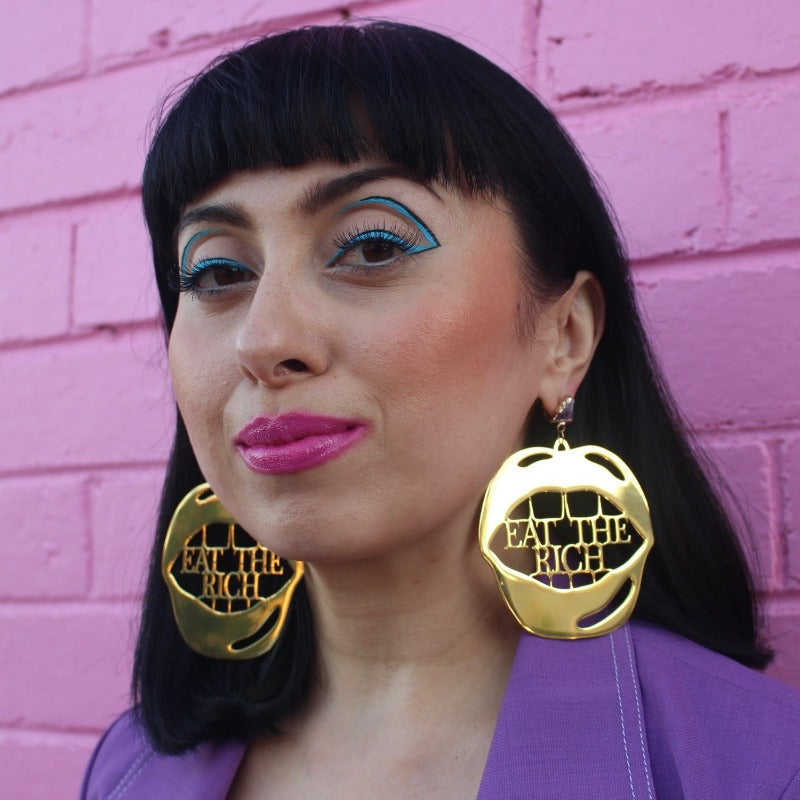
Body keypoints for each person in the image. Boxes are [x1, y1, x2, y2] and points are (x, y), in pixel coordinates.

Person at [80, 21, 800, 800]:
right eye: (216, 271)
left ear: (563, 337)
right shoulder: (130, 767)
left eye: (372, 248)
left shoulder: (754, 768)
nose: (264, 338)